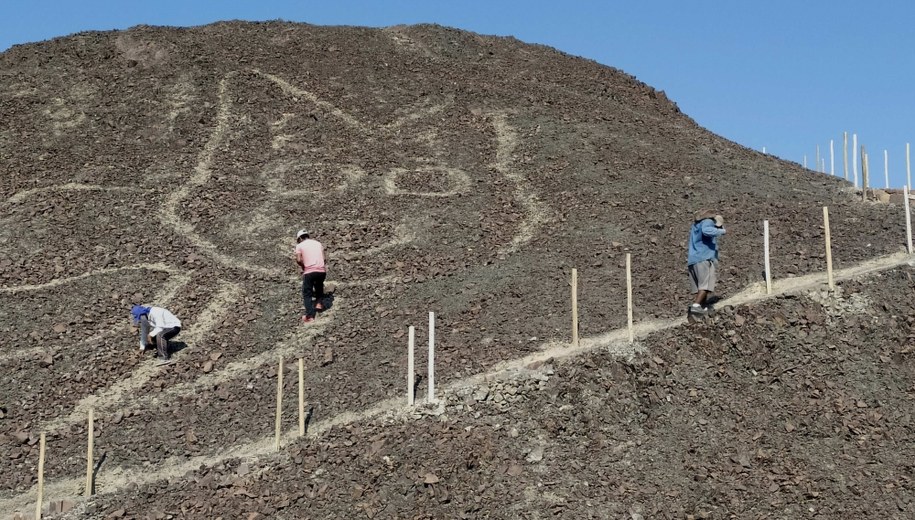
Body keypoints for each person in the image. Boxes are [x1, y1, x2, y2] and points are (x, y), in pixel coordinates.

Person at [687, 210, 726, 318]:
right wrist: (722, 231)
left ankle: (702, 307)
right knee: (706, 285)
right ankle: (696, 306)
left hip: (693, 259)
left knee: (701, 286)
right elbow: (706, 231)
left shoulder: (696, 225)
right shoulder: (708, 222)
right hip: (704, 258)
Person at [294, 229, 326, 324]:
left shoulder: (299, 246)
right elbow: (324, 258)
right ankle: (319, 303)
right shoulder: (318, 243)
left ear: (300, 238)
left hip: (309, 271)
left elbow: (299, 260)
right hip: (321, 270)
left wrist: (304, 267)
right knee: (319, 286)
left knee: (307, 293)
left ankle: (309, 316)